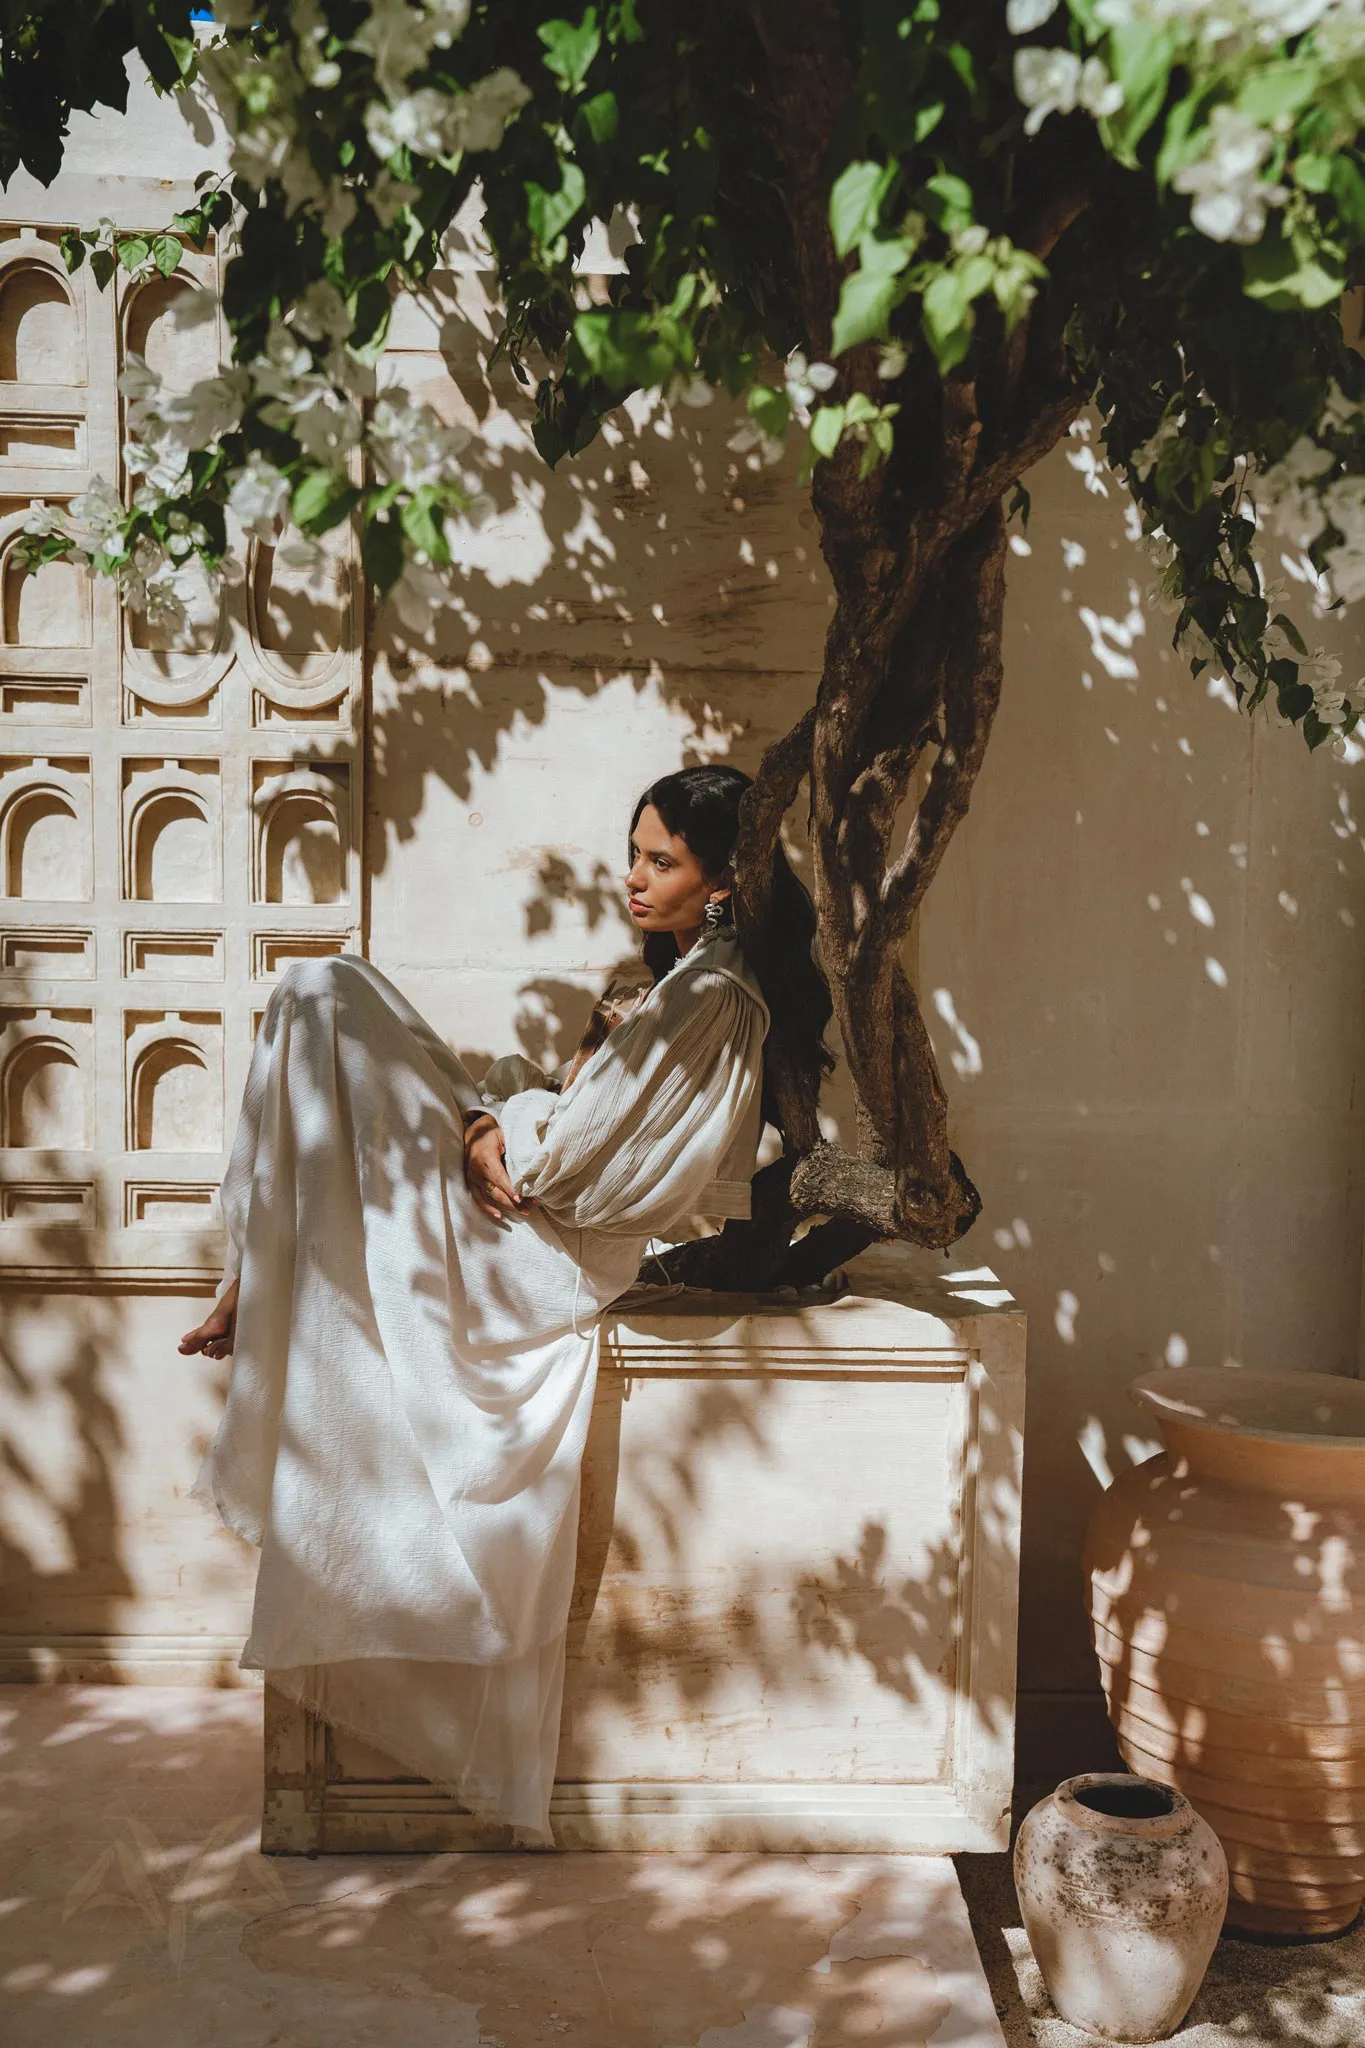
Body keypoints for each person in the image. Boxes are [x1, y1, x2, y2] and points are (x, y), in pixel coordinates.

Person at [179, 763, 829, 1844]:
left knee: (323, 994)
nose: (632, 877)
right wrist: (511, 1101)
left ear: (723, 881)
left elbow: (572, 1170)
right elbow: (564, 1120)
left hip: (535, 1251)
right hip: (522, 1215)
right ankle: (257, 1265)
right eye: (634, 852)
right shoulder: (680, 987)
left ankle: (256, 1271)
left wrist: (488, 1122)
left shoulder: (714, 1000)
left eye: (660, 860)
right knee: (321, 994)